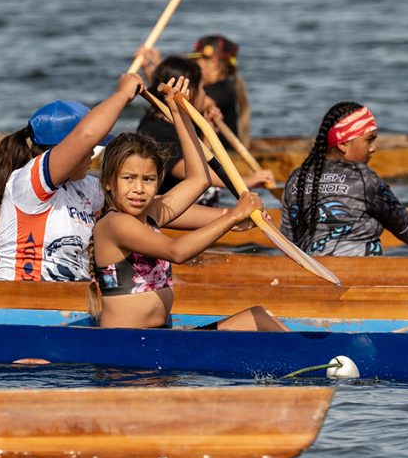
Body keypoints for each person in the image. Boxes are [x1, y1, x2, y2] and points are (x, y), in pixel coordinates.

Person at [90, 77, 287, 331]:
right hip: (128, 350)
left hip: (159, 342)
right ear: (108, 182)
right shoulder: (115, 224)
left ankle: (316, 363)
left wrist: (180, 114)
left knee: (260, 317)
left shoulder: (150, 214)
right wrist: (233, 216)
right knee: (259, 320)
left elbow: (199, 179)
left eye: (148, 180)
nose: (138, 189)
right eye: (128, 179)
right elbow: (177, 252)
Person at [0, 73, 142, 281]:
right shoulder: (29, 181)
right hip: (19, 300)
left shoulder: (88, 187)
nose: (93, 153)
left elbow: (147, 202)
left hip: (69, 300)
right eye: (90, 148)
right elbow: (86, 135)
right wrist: (122, 94)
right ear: (63, 150)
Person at [280, 101, 408, 258]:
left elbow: (287, 241)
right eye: (369, 140)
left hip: (311, 277)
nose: (374, 148)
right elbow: (406, 226)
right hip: (362, 276)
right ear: (343, 144)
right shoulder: (364, 178)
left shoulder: (296, 178)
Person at [136, 55, 273, 198]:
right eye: (202, 89)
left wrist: (209, 130)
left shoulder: (178, 123)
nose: (205, 95)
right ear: (188, 92)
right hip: (167, 209)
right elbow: (189, 170)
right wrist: (247, 182)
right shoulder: (157, 131)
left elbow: (202, 158)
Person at [185, 35, 251, 149]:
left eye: (196, 60)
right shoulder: (228, 85)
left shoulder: (222, 89)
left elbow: (193, 103)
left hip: (222, 160)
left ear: (213, 62)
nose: (193, 65)